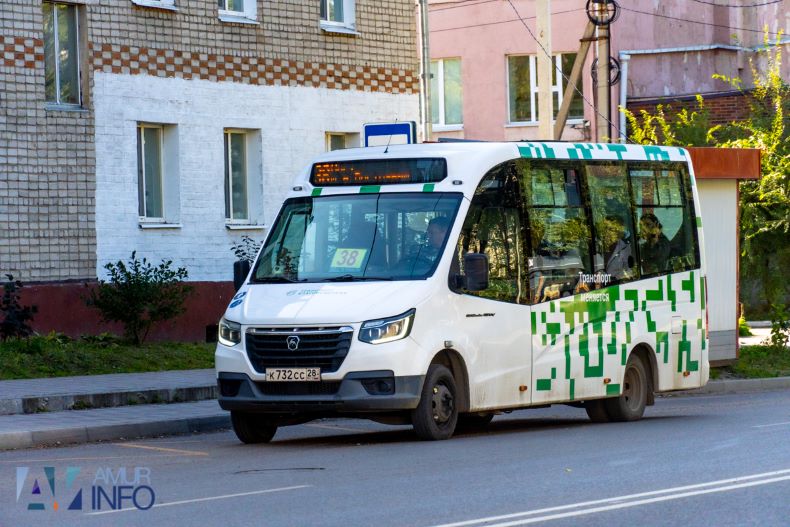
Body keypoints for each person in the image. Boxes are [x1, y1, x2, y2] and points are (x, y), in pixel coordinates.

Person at [600, 215, 633, 280]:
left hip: (616, 283)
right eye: (605, 228)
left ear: (618, 231)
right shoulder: (598, 246)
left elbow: (629, 270)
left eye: (611, 229)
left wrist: (615, 278)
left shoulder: (625, 247)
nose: (606, 232)